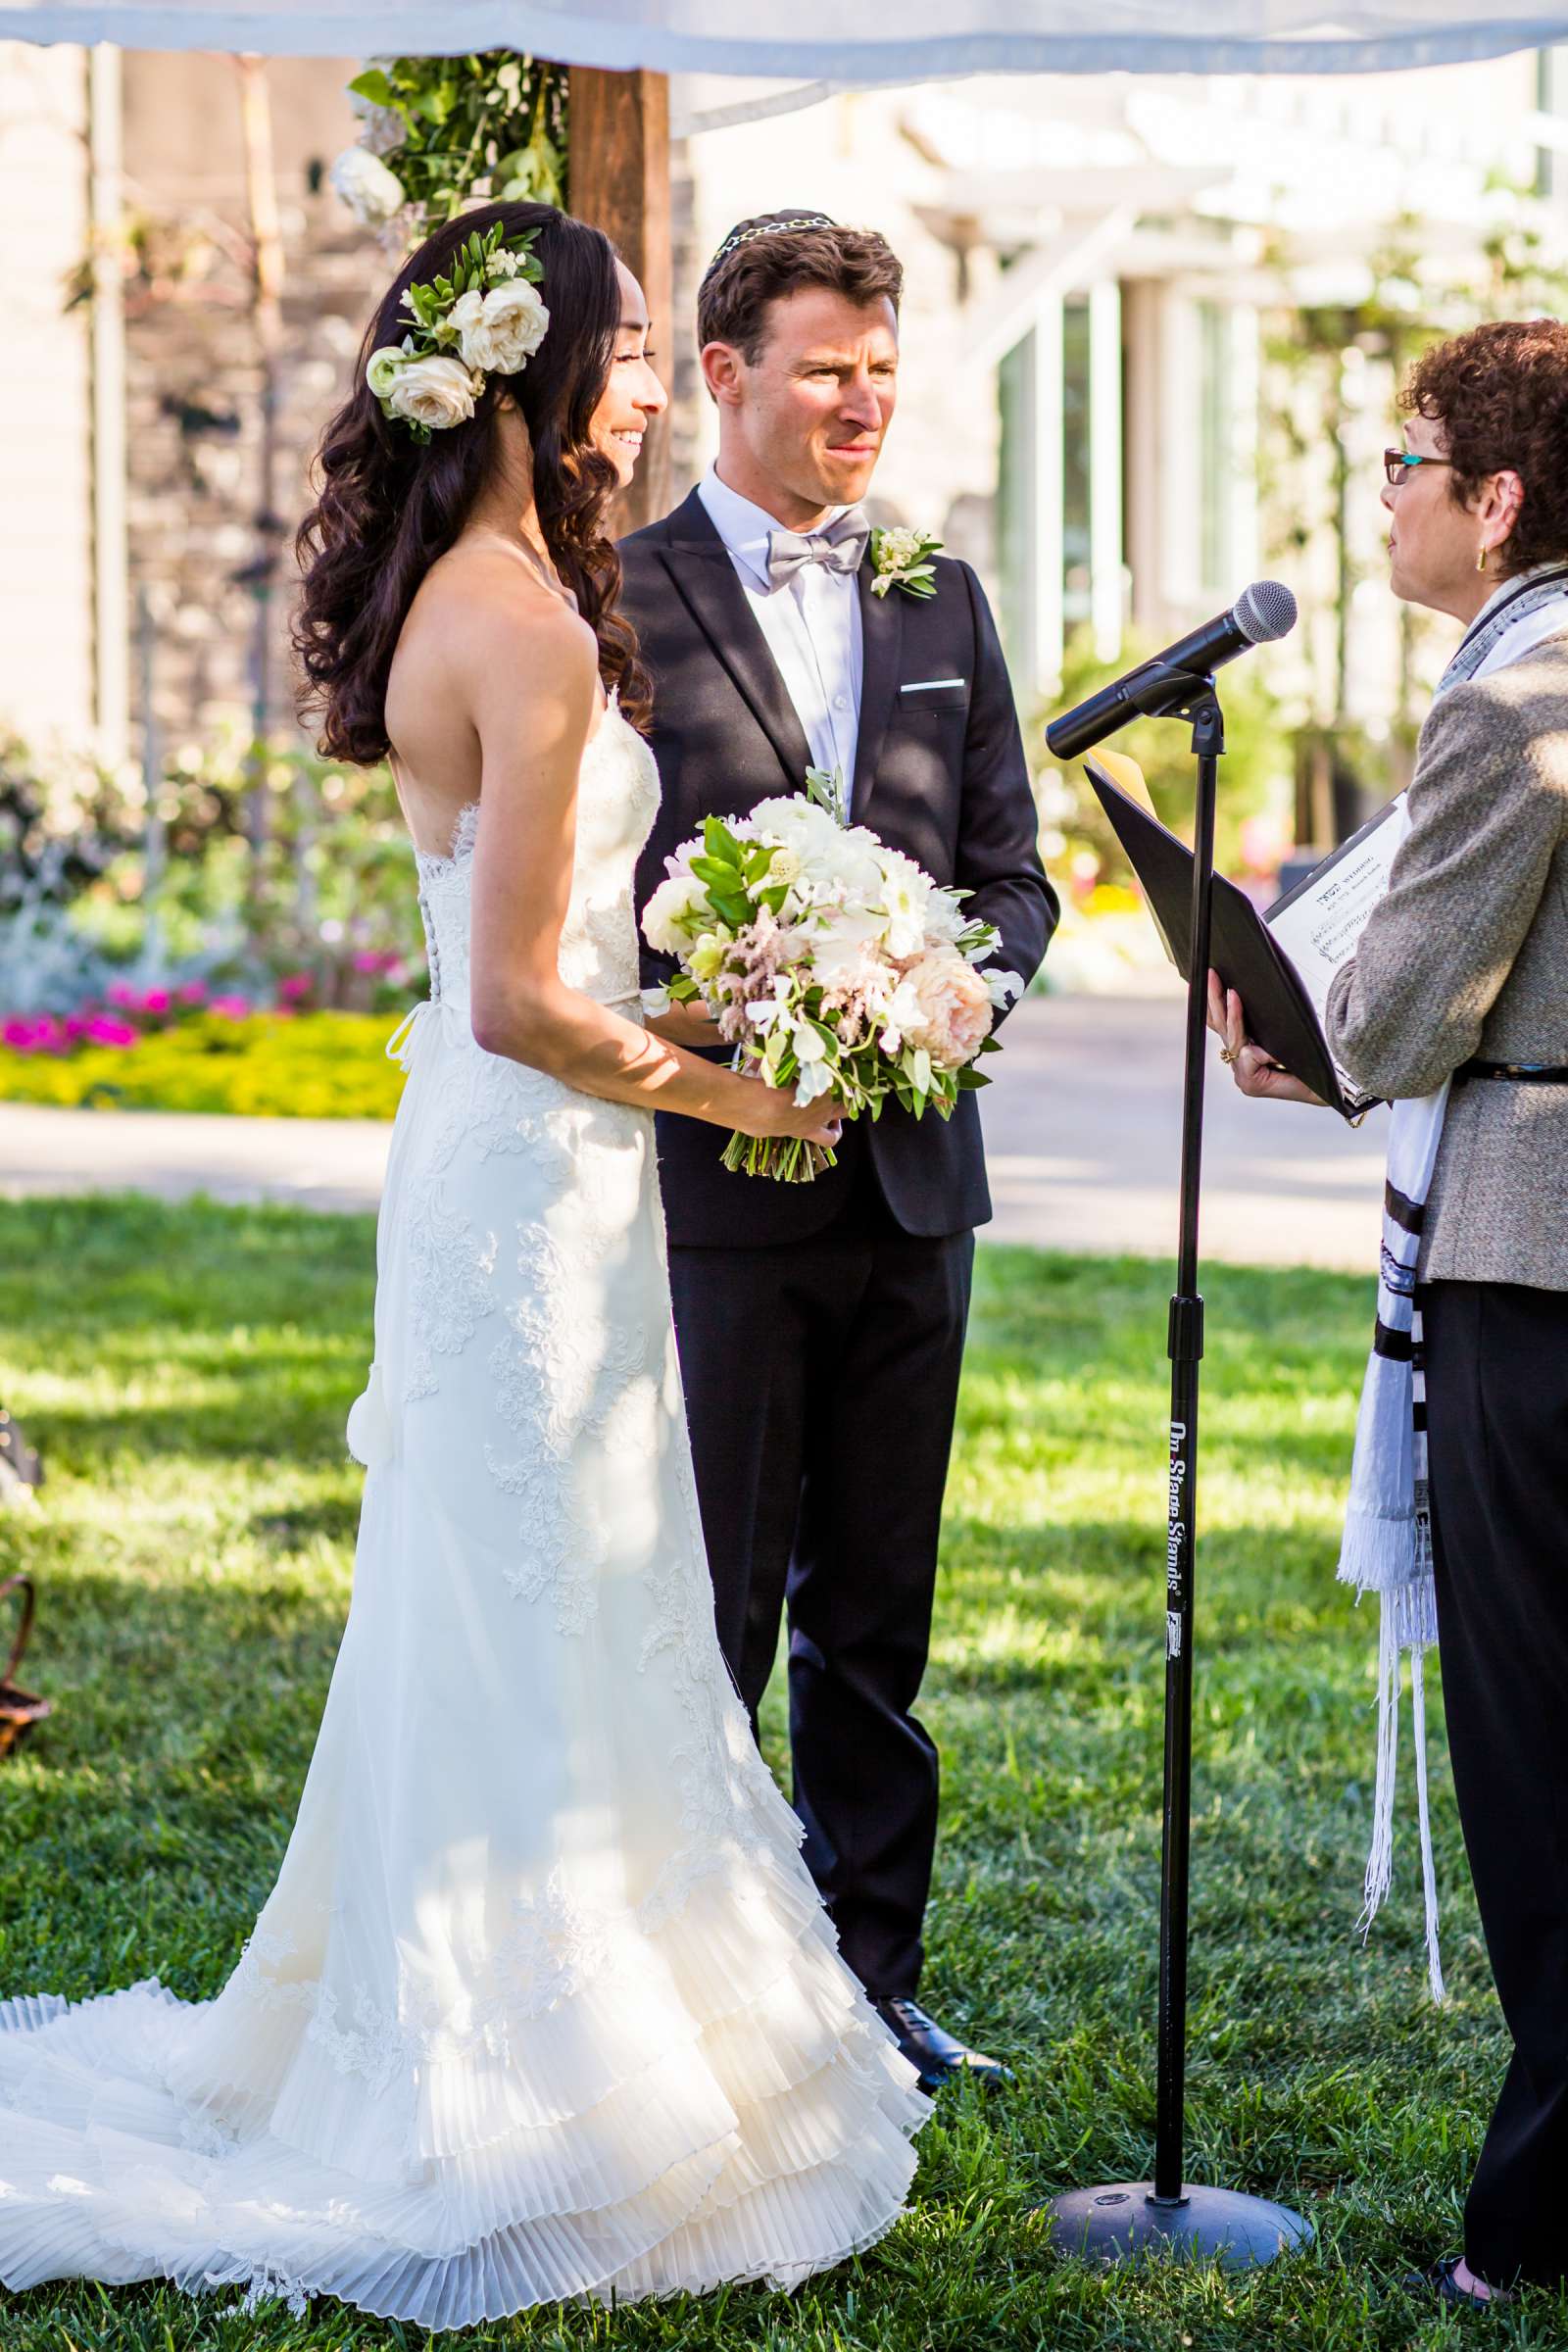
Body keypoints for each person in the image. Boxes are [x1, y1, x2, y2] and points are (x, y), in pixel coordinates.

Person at [0, 201, 932, 2328]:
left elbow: (556, 975)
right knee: (534, 1600)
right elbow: (516, 998)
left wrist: (785, 1005)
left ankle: (598, 2028)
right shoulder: (508, 625)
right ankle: (534, 2082)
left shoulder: (499, 589)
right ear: (529, 375)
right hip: (531, 1165)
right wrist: (744, 1105)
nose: (634, 385)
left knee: (577, 1593)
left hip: (549, 1174)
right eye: (618, 348)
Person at [619, 213, 1056, 2092]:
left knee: (879, 1608)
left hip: (912, 1180)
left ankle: (870, 1980)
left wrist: (950, 993)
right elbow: (594, 895)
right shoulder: (616, 599)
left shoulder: (939, 595)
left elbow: (1014, 876)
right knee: (711, 1601)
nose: (862, 398)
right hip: (713, 1190)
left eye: (881, 366)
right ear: (725, 375)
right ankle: (699, 1992)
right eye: (825, 365)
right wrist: (747, 997)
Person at [1210, 318, 1568, 2307]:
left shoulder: (1520, 686)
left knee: (1533, 1747)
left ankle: (1533, 2218)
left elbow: (1408, 985)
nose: (1380, 493)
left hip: (1537, 1257)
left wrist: (1302, 1043)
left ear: (1491, 498)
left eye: (1400, 460)